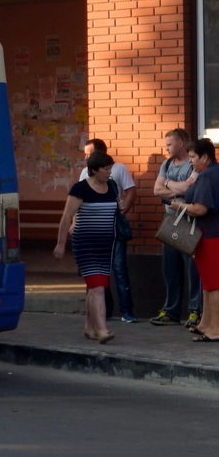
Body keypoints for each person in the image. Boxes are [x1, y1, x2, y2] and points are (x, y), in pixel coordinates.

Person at [54, 151, 119, 343]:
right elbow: (66, 217)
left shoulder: (112, 187)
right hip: (85, 244)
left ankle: (89, 328)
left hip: (106, 245)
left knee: (95, 287)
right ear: (94, 170)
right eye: (106, 169)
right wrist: (61, 244)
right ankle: (102, 330)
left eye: (110, 168)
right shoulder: (80, 189)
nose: (109, 172)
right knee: (98, 287)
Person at [79, 138, 137, 322]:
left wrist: (122, 213)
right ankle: (104, 311)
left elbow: (130, 192)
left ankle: (127, 311)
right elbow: (78, 201)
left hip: (113, 229)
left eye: (89, 153)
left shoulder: (118, 169)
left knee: (119, 269)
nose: (86, 157)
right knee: (97, 271)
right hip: (93, 230)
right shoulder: (83, 173)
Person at [151, 128, 203, 326]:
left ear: (181, 143)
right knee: (170, 269)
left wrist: (169, 186)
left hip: (190, 223)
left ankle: (194, 312)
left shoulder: (193, 163)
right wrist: (177, 188)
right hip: (170, 222)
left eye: (169, 144)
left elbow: (190, 191)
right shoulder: (166, 163)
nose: (166, 148)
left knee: (193, 270)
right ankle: (171, 311)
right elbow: (157, 190)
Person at [177, 138, 219, 342]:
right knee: (207, 283)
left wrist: (178, 206)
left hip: (211, 235)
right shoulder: (209, 174)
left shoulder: (208, 177)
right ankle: (206, 323)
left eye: (193, 157)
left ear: (205, 157)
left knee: (213, 284)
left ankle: (216, 329)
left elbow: (200, 208)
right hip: (209, 234)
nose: (190, 161)